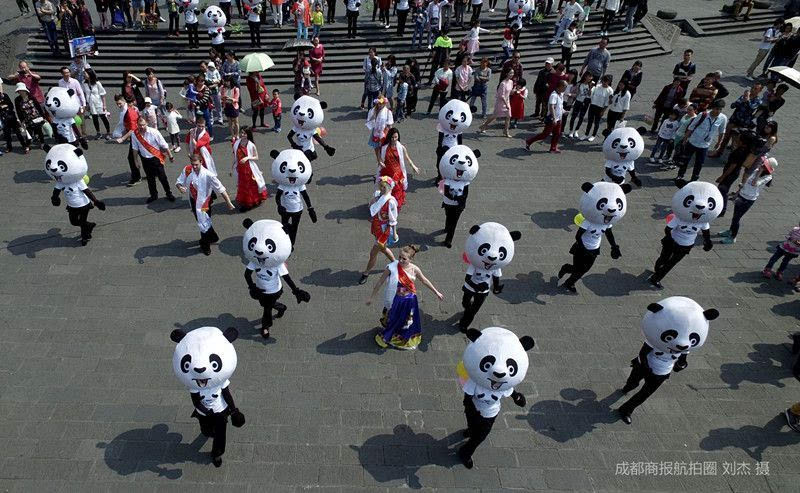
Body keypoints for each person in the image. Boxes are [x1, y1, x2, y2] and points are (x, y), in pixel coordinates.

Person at [366, 244, 444, 350]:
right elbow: (380, 282)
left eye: (404, 259)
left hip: (410, 300)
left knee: (407, 321)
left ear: (411, 259)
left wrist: (436, 292)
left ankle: (403, 336)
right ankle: (389, 335)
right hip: (397, 300)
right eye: (400, 257)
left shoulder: (415, 269)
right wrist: (371, 297)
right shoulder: (392, 267)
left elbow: (424, 280)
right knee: (394, 319)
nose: (401, 260)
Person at [176, 154, 235, 255]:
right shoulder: (187, 170)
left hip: (205, 203)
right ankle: (213, 236)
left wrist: (228, 202)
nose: (194, 167)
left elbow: (221, 189)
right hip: (194, 201)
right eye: (192, 164)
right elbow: (178, 182)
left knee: (203, 222)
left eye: (196, 165)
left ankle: (205, 245)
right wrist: (180, 187)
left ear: (201, 162)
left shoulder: (208, 175)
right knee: (204, 221)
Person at [719, 156, 776, 244]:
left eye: (763, 164)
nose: (761, 164)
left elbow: (754, 183)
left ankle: (733, 237)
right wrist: (737, 192)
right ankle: (730, 231)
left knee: (737, 218)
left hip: (748, 199)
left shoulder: (768, 177)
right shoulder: (757, 170)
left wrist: (759, 172)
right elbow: (746, 182)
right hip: (742, 195)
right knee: (735, 216)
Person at [675, 99, 727, 183]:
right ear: (713, 108)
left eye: (720, 109)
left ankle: (694, 178)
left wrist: (719, 142)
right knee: (685, 160)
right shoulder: (703, 115)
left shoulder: (722, 118)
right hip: (693, 142)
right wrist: (685, 139)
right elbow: (691, 126)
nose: (718, 111)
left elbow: (722, 131)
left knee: (699, 163)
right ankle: (680, 175)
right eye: (717, 109)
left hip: (705, 145)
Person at [359, 176, 399, 285]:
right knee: (383, 248)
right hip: (377, 227)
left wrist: (394, 233)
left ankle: (366, 273)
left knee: (373, 253)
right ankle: (396, 264)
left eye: (384, 187)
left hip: (384, 230)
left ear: (390, 188)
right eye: (380, 186)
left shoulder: (390, 201)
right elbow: (372, 207)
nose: (382, 189)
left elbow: (393, 219)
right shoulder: (378, 196)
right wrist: (374, 200)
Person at [130, 116, 175, 203]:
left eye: (143, 125)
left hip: (156, 159)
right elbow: (135, 149)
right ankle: (153, 195)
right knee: (150, 179)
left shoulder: (154, 132)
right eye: (140, 125)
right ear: (137, 124)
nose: (142, 127)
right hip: (145, 160)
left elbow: (164, 145)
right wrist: (136, 161)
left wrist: (170, 155)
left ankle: (168, 193)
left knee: (162, 177)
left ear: (146, 123)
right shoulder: (134, 134)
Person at [376, 127, 420, 210]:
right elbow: (379, 154)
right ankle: (385, 204)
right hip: (387, 171)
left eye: (395, 137)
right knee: (385, 189)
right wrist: (380, 162)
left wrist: (413, 166)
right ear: (389, 137)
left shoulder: (401, 147)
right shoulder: (384, 147)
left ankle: (394, 207)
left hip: (397, 173)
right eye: (392, 137)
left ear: (398, 137)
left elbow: (407, 158)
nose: (394, 139)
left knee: (396, 189)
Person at [230, 126, 267, 212]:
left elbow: (256, 157)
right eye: (241, 133)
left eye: (244, 133)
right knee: (242, 185)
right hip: (240, 168)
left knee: (249, 186)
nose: (242, 135)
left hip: (249, 169)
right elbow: (235, 157)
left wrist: (247, 158)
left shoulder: (251, 145)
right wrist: (232, 167)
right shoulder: (236, 143)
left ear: (248, 134)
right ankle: (246, 201)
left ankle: (249, 203)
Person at [524, 79, 566, 153]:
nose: (565, 88)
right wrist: (554, 118)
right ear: (560, 86)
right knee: (545, 134)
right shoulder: (554, 95)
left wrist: (564, 111)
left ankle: (553, 148)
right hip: (552, 119)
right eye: (565, 86)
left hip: (559, 118)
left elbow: (559, 106)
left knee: (557, 134)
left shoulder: (561, 94)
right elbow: (551, 107)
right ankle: (529, 141)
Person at [478, 67, 514, 137]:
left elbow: (510, 92)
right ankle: (484, 125)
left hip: (507, 101)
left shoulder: (511, 82)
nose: (512, 74)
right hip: (501, 102)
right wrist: (506, 104)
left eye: (512, 73)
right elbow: (501, 95)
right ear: (507, 73)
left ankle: (506, 131)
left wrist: (514, 91)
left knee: (508, 116)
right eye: (510, 73)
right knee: (494, 116)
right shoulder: (503, 83)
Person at [13, 83, 46, 149]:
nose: (21, 92)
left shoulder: (31, 97)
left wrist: (43, 116)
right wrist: (22, 121)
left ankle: (42, 143)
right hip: (27, 118)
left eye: (22, 90)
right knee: (29, 133)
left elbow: (38, 107)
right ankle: (27, 145)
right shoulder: (17, 100)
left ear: (25, 90)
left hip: (36, 117)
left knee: (39, 131)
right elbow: (18, 111)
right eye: (19, 91)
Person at [0, 84, 30, 153]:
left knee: (18, 133)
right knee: (7, 134)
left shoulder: (5, 95)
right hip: (4, 118)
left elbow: (11, 105)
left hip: (11, 117)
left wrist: (5, 106)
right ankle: (9, 147)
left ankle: (24, 145)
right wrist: (2, 107)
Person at [583, 73, 612, 142]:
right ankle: (586, 134)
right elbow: (590, 94)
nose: (604, 83)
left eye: (606, 81)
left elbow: (607, 102)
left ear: (609, 82)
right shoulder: (597, 86)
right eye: (603, 81)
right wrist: (590, 88)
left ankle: (593, 135)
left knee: (596, 122)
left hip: (600, 108)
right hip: (592, 105)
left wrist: (603, 111)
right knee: (590, 121)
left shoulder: (610, 90)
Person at [82, 69, 110, 139]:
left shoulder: (97, 83)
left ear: (90, 74)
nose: (84, 75)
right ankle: (98, 133)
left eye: (85, 74)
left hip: (98, 102)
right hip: (91, 103)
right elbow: (85, 94)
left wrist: (104, 105)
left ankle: (108, 132)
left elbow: (103, 94)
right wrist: (86, 104)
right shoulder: (84, 83)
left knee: (103, 117)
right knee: (94, 117)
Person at [366, 96, 394, 164]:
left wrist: (391, 135)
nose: (380, 105)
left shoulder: (388, 112)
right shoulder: (373, 110)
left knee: (383, 150)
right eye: (378, 103)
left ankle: (382, 164)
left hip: (384, 133)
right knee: (376, 148)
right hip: (375, 132)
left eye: (381, 103)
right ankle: (379, 162)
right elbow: (369, 120)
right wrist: (373, 117)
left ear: (385, 103)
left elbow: (390, 125)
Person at [567, 71, 592, 138]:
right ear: (585, 76)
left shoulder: (590, 85)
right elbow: (576, 93)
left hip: (586, 102)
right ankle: (571, 130)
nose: (590, 78)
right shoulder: (579, 84)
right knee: (574, 116)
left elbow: (589, 94)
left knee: (581, 117)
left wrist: (590, 88)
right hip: (578, 101)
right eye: (589, 76)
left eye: (591, 77)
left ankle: (576, 130)